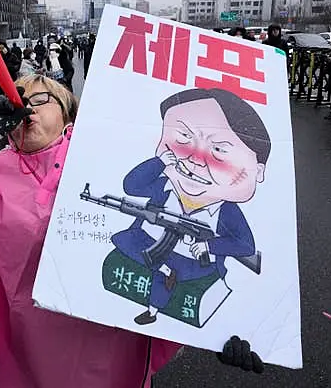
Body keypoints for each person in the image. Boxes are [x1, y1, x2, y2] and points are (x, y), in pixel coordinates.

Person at [0, 74, 265, 388]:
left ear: (69, 118)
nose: (27, 105)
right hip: (19, 351)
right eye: (17, 98)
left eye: (42, 97)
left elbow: (235, 247)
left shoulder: (101, 165)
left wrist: (225, 333)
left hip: (104, 351)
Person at [112, 88, 270, 326]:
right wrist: (159, 163)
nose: (195, 158)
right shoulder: (164, 186)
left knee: (168, 272)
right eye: (183, 137)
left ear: (257, 172)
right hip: (148, 244)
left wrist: (209, 245)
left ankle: (153, 310)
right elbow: (131, 186)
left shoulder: (225, 211)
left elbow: (245, 244)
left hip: (193, 262)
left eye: (219, 150)